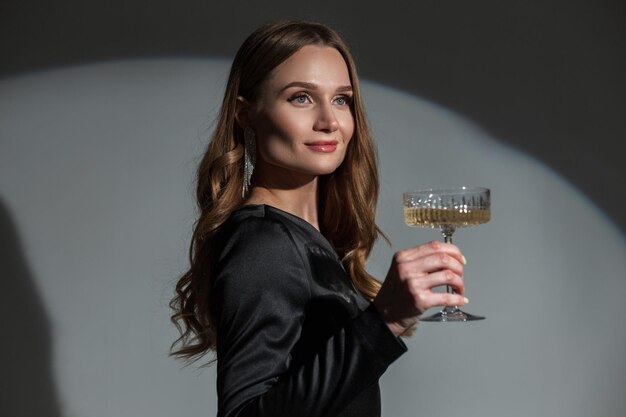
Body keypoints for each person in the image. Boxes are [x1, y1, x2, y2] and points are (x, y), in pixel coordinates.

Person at [170, 21, 468, 417]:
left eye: (342, 100)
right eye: (301, 98)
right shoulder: (264, 244)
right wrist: (384, 322)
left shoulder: (305, 239)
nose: (329, 120)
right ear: (246, 113)